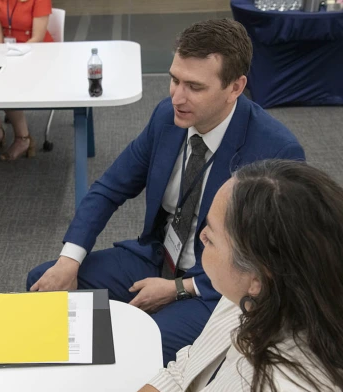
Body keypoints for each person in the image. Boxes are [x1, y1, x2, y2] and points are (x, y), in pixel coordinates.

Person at [27, 19, 306, 365]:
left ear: (235, 87)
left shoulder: (276, 151)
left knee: (136, 349)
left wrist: (178, 289)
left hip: (215, 287)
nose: (177, 97)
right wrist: (70, 259)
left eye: (194, 86)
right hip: (157, 257)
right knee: (44, 285)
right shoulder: (166, 118)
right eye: (174, 80)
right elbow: (109, 188)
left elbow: (272, 262)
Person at [93, 160, 343, 392]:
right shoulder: (251, 295)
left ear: (257, 277)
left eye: (210, 238)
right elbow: (183, 376)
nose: (200, 237)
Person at [0, 0, 54, 161]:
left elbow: (38, 37)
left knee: (7, 86)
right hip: (8, 55)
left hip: (37, 54)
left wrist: (14, 57)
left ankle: (23, 139)